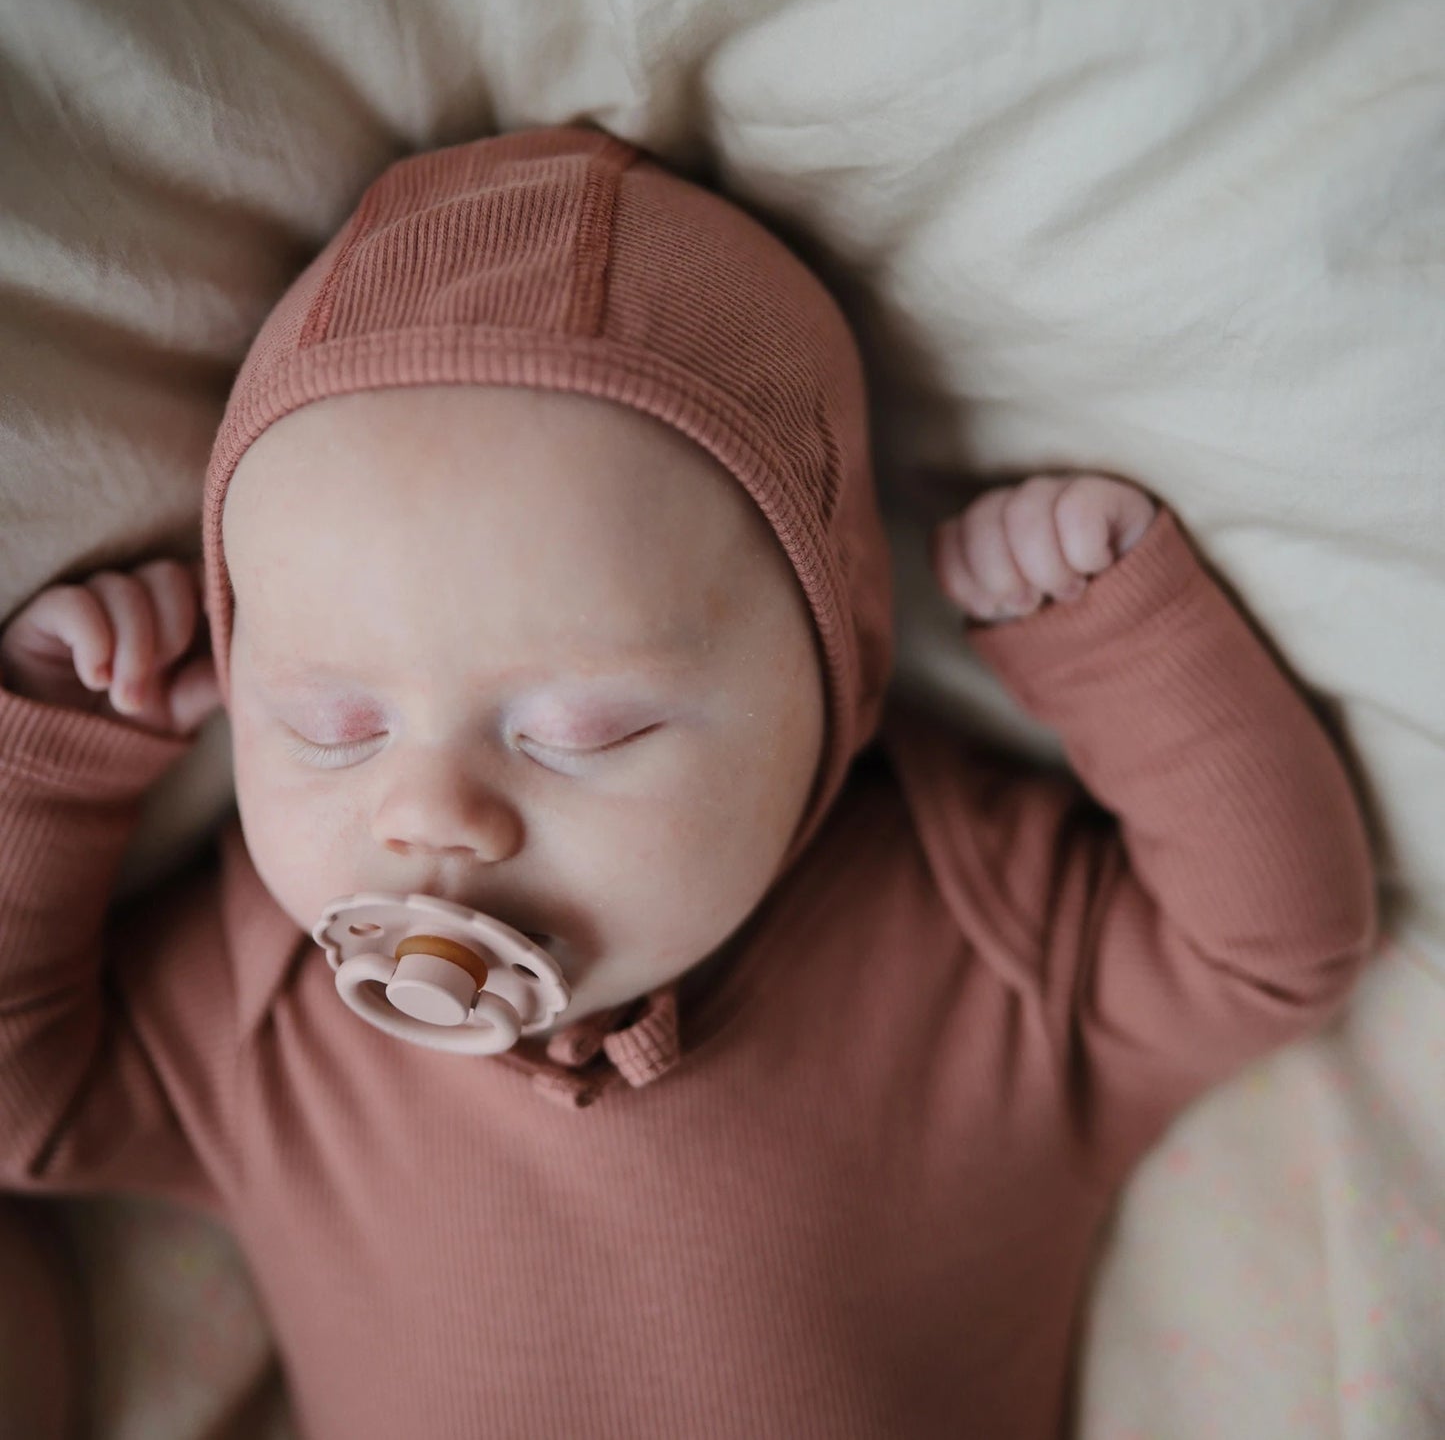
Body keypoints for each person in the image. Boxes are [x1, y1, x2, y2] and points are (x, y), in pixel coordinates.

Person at [0, 125, 1377, 1439]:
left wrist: (1118, 642)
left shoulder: (969, 926)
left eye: (579, 730)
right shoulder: (265, 1013)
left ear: (837, 672)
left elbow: (1270, 949)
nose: (425, 813)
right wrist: (57, 766)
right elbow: (26, 1107)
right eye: (329, 725)